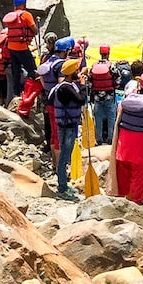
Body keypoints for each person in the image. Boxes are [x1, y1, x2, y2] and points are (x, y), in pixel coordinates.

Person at [114, 69, 143, 204]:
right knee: (139, 171)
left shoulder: (128, 96)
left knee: (123, 169)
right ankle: (137, 198)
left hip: (124, 139)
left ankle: (122, 194)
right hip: (139, 140)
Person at [51, 58, 86, 200]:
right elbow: (80, 100)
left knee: (66, 156)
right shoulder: (66, 88)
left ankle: (63, 184)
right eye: (76, 70)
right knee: (64, 157)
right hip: (67, 127)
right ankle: (62, 187)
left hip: (68, 125)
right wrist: (83, 85)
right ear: (72, 72)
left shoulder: (67, 85)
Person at [39, 35, 74, 163]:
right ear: (65, 51)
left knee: (54, 133)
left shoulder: (47, 60)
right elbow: (61, 84)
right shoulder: (60, 65)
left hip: (49, 100)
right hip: (59, 104)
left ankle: (55, 162)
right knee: (60, 134)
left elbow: (42, 79)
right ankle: (60, 166)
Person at [2, 0, 39, 96]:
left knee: (16, 71)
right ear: (24, 4)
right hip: (22, 47)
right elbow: (34, 30)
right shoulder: (26, 15)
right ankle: (34, 91)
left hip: (11, 47)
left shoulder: (11, 15)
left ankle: (16, 93)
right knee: (33, 70)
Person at [89, 45, 119, 144]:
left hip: (97, 97)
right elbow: (118, 80)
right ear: (108, 53)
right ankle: (111, 139)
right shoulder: (111, 66)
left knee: (98, 119)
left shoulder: (94, 65)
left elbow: (90, 81)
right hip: (109, 96)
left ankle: (99, 139)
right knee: (111, 118)